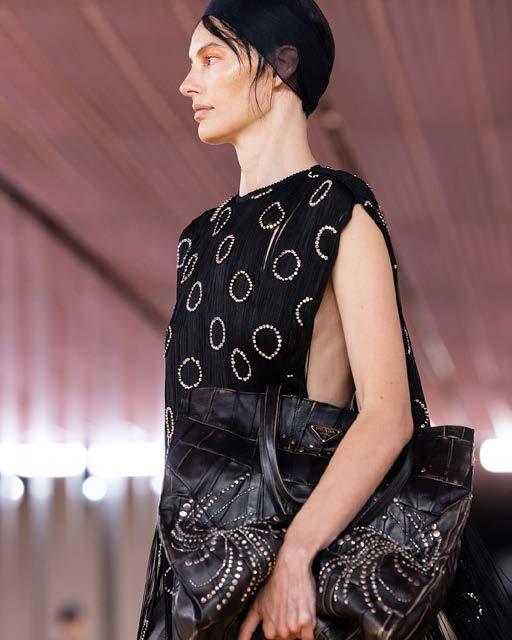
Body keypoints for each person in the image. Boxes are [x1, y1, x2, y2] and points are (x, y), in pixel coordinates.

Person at [136, 2, 512, 639]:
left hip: (303, 588)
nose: (187, 84)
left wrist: (295, 556)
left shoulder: (339, 213)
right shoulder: (198, 240)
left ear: (281, 64)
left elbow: (388, 415)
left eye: (211, 58)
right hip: (204, 583)